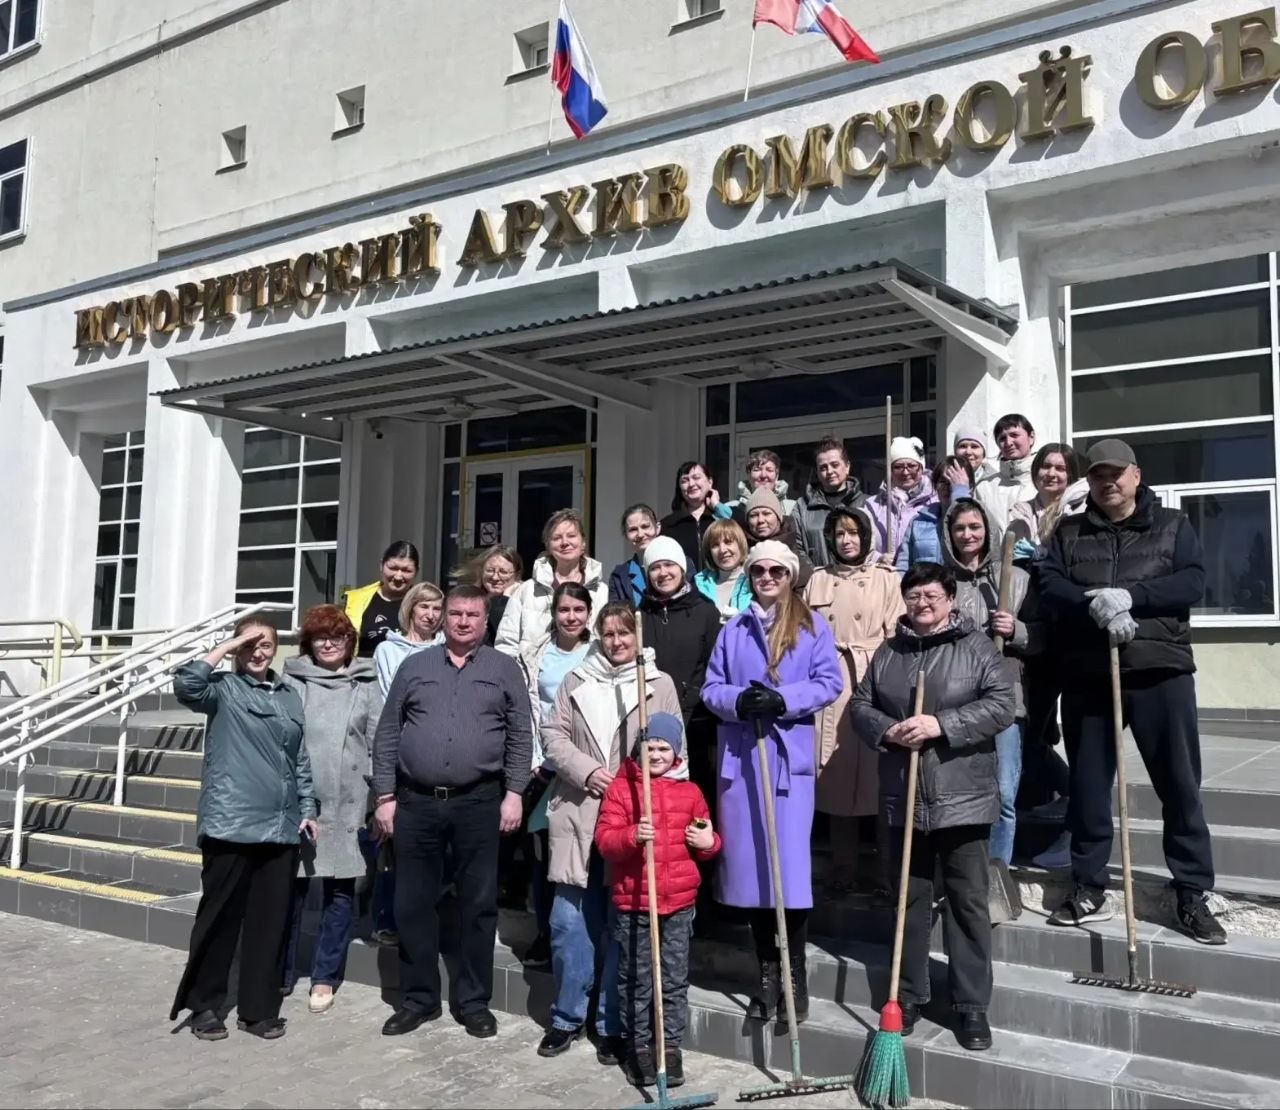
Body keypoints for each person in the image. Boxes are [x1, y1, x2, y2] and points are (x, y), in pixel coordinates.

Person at [1037, 439, 1224, 945]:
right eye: (1098, 475)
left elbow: (1192, 583)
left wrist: (1131, 597)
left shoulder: (1173, 525)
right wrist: (1092, 604)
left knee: (1179, 785)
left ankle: (1191, 891)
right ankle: (1088, 884)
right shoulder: (1070, 531)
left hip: (1160, 670)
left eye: (1116, 473)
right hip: (1090, 674)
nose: (1107, 482)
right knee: (1090, 787)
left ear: (1136, 476)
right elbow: (1049, 584)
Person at [851, 562, 1015, 1052]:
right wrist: (888, 730)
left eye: (931, 596)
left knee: (967, 903)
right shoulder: (890, 652)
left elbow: (1001, 706)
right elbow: (860, 706)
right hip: (904, 796)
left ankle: (971, 1005)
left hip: (963, 798)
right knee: (909, 900)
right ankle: (907, 995)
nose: (922, 604)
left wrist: (940, 725)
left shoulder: (976, 647)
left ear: (950, 600)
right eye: (914, 596)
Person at [371, 585, 533, 1040]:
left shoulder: (504, 669)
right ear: (444, 617)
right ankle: (418, 999)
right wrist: (384, 796)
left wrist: (514, 793)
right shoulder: (415, 666)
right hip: (416, 802)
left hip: (479, 802)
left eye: (472, 615)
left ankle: (473, 1001)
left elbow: (521, 734)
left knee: (478, 905)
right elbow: (388, 732)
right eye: (456, 613)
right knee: (412, 903)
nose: (463, 621)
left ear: (485, 620)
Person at [701, 540, 842, 1025]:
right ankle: (765, 972)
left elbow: (829, 682)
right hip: (743, 763)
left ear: (790, 576)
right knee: (752, 872)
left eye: (775, 571)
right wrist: (738, 701)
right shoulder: (733, 629)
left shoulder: (812, 625)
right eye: (758, 571)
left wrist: (783, 700)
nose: (766, 578)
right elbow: (711, 687)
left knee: (789, 873)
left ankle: (793, 972)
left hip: (786, 763)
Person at [537, 603, 683, 1063]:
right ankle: (566, 1016)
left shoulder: (658, 684)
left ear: (637, 637)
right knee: (569, 921)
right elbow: (553, 735)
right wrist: (588, 771)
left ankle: (611, 1022)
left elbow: (674, 751)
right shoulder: (577, 680)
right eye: (610, 634)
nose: (618, 642)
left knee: (623, 926)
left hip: (632, 817)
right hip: (579, 811)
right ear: (599, 636)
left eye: (625, 633)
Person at [169, 618, 317, 1042]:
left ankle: (257, 1011)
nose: (258, 651)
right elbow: (186, 685)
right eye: (249, 644)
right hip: (230, 824)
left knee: (269, 924)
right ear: (236, 649)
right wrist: (227, 645)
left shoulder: (288, 695)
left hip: (280, 826)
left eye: (265, 643)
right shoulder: (222, 690)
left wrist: (307, 806)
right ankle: (204, 1006)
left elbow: (298, 758)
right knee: (219, 920)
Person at [595, 712, 722, 1090]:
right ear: (639, 749)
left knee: (673, 979)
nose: (655, 755)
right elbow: (605, 841)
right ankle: (638, 1046)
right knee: (636, 980)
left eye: (664, 748)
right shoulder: (622, 790)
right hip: (635, 903)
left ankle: (670, 1047)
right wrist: (632, 835)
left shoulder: (691, 793)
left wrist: (709, 843)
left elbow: (706, 840)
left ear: (676, 752)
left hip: (678, 904)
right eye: (649, 747)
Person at [281, 605, 384, 1013]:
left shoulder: (366, 680)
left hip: (349, 800)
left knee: (340, 893)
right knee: (291, 890)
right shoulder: (292, 680)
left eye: (338, 636)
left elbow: (378, 741)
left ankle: (324, 976)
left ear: (350, 641)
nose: (329, 643)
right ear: (308, 643)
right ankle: (281, 971)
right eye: (321, 636)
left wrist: (380, 795)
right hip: (301, 799)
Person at [803, 508, 904, 894]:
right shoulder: (818, 579)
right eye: (839, 534)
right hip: (831, 686)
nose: (846, 541)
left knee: (880, 779)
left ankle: (885, 874)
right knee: (837, 778)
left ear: (865, 536)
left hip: (874, 682)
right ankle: (842, 870)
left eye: (853, 533)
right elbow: (804, 634)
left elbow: (897, 635)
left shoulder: (886, 579)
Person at [942, 499, 1041, 868]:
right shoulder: (942, 583)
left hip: (1006, 697)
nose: (967, 535)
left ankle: (996, 873)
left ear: (988, 531)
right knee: (960, 792)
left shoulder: (1016, 579)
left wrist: (1017, 630)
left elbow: (1044, 639)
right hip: (956, 700)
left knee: (1003, 792)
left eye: (975, 527)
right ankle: (963, 873)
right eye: (959, 528)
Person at [517, 582, 596, 969]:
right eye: (564, 610)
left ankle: (582, 935)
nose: (571, 617)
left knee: (581, 854)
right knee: (544, 856)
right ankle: (545, 934)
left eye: (578, 610)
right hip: (545, 767)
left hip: (587, 768)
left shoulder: (598, 652)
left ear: (588, 614)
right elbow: (529, 708)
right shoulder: (536, 654)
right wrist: (535, 757)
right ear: (554, 613)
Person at [638, 535, 722, 827]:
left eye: (669, 565)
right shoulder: (639, 614)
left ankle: (700, 853)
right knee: (658, 802)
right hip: (650, 721)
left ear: (682, 569)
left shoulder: (705, 611)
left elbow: (714, 666)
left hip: (696, 721)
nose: (663, 573)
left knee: (696, 797)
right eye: (655, 567)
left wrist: (692, 700)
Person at [496, 510, 608, 658]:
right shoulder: (527, 591)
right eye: (557, 538)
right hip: (532, 672)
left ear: (583, 543)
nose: (565, 542)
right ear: (548, 546)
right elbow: (506, 643)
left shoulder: (602, 591)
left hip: (588, 670)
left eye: (571, 536)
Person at [792, 436, 866, 568]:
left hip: (858, 578)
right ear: (817, 472)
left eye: (835, 465)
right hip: (816, 578)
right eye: (823, 468)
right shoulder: (802, 507)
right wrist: (815, 575)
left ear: (847, 467)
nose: (829, 471)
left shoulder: (866, 504)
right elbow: (796, 547)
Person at [344, 540, 421, 658]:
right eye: (393, 568)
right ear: (381, 565)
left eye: (406, 571)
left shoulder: (424, 604)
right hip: (364, 668)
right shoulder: (355, 600)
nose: (398, 576)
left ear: (416, 572)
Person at [896, 456, 973, 572]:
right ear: (935, 486)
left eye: (954, 481)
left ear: (970, 486)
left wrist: (960, 494)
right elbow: (903, 565)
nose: (949, 487)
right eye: (943, 481)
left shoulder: (981, 519)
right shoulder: (918, 522)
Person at [608, 504, 694, 606]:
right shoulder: (620, 576)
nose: (640, 534)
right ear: (626, 535)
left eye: (645, 526)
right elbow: (616, 612)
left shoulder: (682, 563)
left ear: (657, 528)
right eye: (633, 529)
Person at [866, 436, 935, 562]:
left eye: (911, 466)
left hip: (923, 572)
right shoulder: (873, 505)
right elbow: (861, 543)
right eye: (898, 467)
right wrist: (878, 558)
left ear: (921, 467)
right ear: (890, 470)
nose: (905, 472)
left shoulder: (935, 501)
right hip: (884, 572)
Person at [1007, 443, 1085, 552]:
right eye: (1046, 466)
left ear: (1070, 475)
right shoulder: (1021, 513)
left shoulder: (1082, 510)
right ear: (1035, 471)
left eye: (1060, 468)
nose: (1051, 473)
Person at [373, 582, 444, 695]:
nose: (430, 615)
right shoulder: (387, 650)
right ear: (411, 609)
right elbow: (383, 695)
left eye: (437, 609)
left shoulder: (447, 649)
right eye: (424, 607)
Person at [661, 461, 729, 571]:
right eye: (685, 481)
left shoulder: (722, 518)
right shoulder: (667, 525)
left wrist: (717, 506)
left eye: (696, 478)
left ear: (710, 482)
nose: (691, 484)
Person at [741, 487, 814, 588]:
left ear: (778, 518)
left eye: (766, 513)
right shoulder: (741, 550)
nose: (760, 520)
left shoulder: (793, 552)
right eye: (754, 515)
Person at [974, 415, 1037, 533]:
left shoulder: (1046, 483)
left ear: (1031, 437)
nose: (1008, 442)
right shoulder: (984, 488)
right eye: (1002, 438)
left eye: (1014, 435)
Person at [457, 545, 524, 645]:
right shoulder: (470, 600)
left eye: (503, 572)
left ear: (517, 575)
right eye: (490, 570)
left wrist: (504, 600)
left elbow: (504, 636)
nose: (495, 577)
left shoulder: (526, 601)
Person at [694, 519, 753, 623]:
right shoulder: (699, 585)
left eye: (728, 542)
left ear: (740, 544)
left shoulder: (756, 580)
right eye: (715, 545)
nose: (722, 550)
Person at [723, 449, 798, 521]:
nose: (763, 475)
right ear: (748, 474)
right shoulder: (729, 510)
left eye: (769, 470)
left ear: (777, 476)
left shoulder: (793, 509)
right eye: (757, 470)